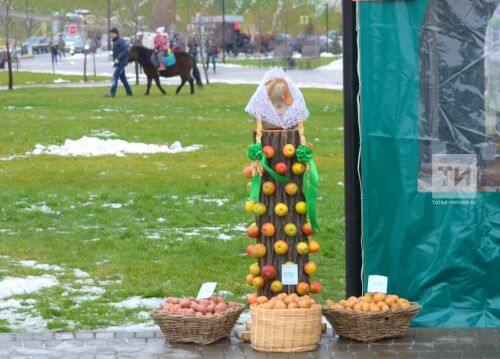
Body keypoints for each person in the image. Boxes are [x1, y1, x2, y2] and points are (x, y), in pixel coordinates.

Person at [106, 27, 132, 97]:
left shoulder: (120, 41)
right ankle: (129, 93)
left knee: (115, 77)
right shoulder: (115, 41)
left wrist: (118, 59)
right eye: (110, 33)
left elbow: (125, 51)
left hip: (121, 62)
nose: (111, 35)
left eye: (112, 33)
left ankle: (112, 93)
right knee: (123, 79)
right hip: (119, 62)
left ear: (116, 34)